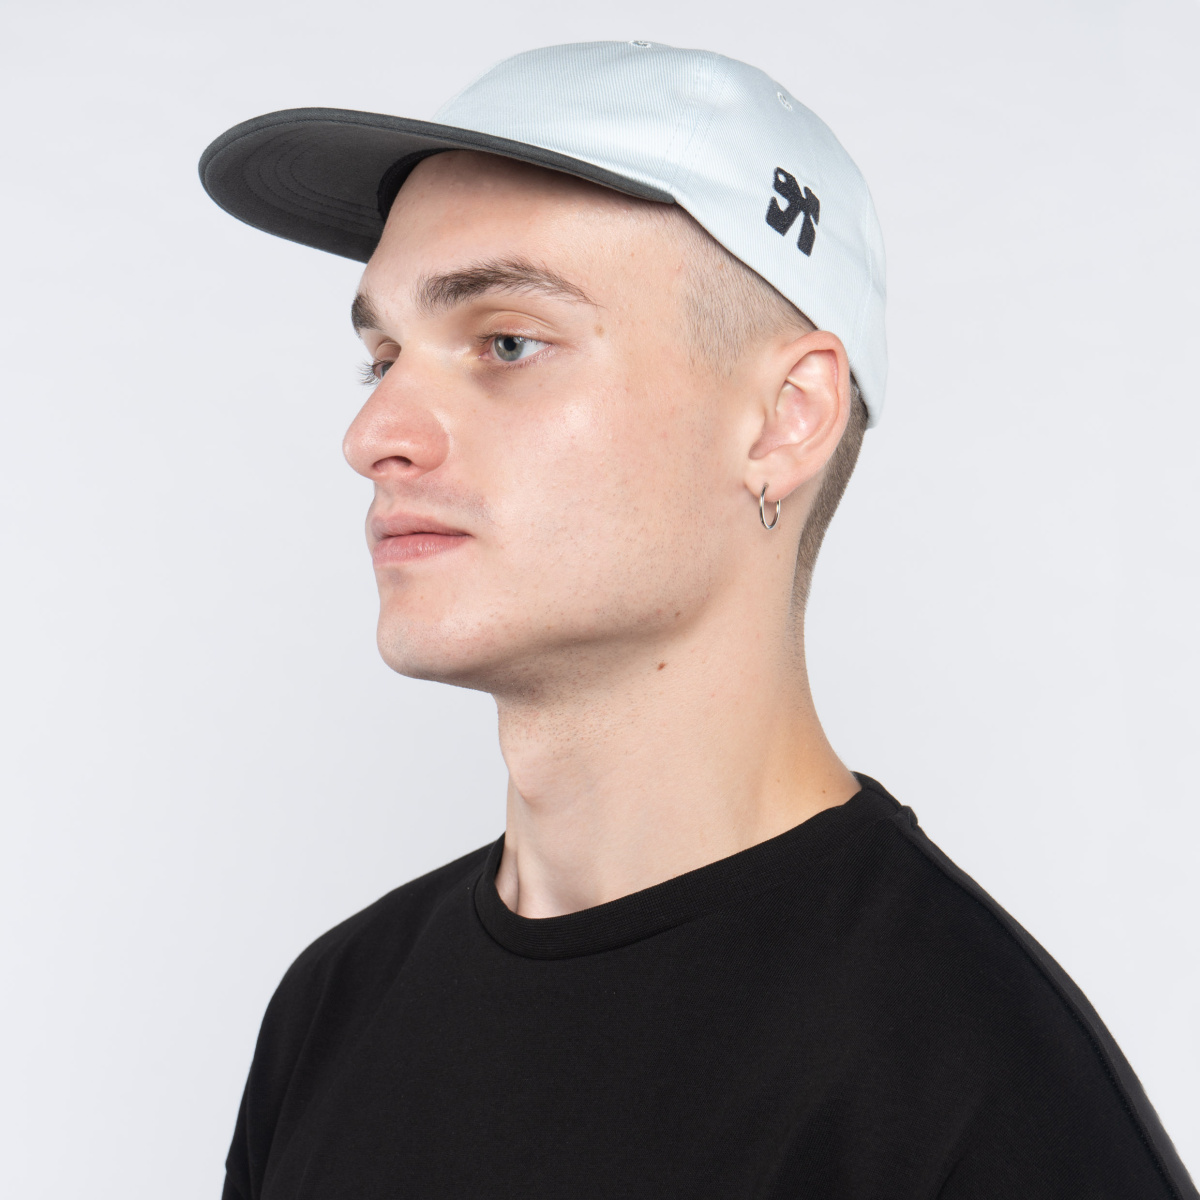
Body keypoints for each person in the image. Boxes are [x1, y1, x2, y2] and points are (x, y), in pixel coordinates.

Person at [199, 41, 1197, 1200]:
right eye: (381, 357)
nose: (374, 436)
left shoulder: (983, 1099)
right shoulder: (335, 1008)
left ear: (785, 418)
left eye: (508, 343)